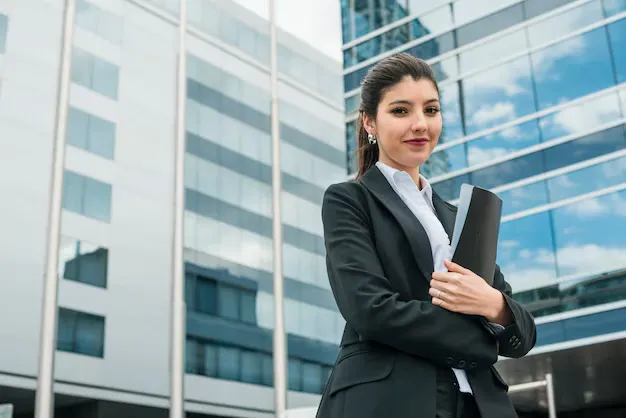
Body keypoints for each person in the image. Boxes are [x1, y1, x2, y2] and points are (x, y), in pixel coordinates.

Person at [317, 53, 537, 418]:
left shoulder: (458, 217)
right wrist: (479, 344)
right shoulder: (350, 200)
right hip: (393, 400)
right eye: (401, 111)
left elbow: (523, 333)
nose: (420, 124)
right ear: (370, 121)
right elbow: (369, 309)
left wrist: (493, 305)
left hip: (481, 405)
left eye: (431, 110)